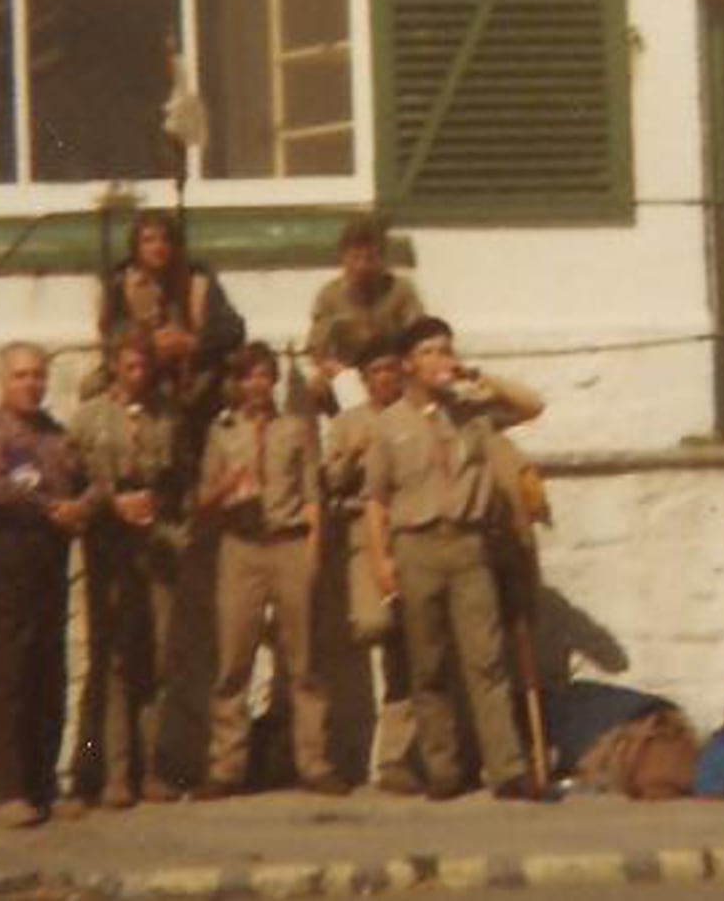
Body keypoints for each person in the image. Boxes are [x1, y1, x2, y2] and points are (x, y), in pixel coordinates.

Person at [325, 335, 547, 795]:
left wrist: (476, 377)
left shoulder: (473, 414)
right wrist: (382, 561)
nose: (440, 359)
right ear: (409, 364)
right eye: (429, 352)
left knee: (485, 661)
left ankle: (506, 770)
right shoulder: (389, 425)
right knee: (428, 665)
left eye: (445, 349)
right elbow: (376, 501)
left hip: (468, 546)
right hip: (415, 547)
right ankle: (441, 769)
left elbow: (532, 406)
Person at [194, 342, 348, 798]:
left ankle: (314, 762)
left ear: (274, 381)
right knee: (234, 661)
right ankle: (226, 767)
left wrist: (313, 552)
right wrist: (226, 485)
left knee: (304, 661)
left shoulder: (295, 429)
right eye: (248, 377)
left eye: (264, 375)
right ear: (236, 384)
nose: (257, 385)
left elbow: (312, 496)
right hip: (240, 548)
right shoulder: (221, 431)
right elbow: (203, 502)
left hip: (288, 544)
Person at [0, 341, 98, 829]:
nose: (31, 384)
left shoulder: (55, 433)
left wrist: (85, 503)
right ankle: (11, 789)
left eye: (38, 375)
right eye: (20, 375)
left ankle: (44, 783)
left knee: (47, 667)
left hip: (46, 554)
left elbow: (81, 479)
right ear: (1, 380)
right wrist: (51, 508)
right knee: (6, 668)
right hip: (0, 549)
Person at [71, 329, 184, 808]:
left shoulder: (168, 418)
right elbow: (74, 479)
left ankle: (153, 768)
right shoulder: (89, 418)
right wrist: (111, 502)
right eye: (130, 365)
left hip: (155, 546)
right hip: (108, 547)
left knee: (156, 657)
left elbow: (180, 480)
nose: (139, 374)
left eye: (146, 365)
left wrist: (163, 512)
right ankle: (114, 773)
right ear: (115, 366)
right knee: (114, 658)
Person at [99, 209, 245, 464]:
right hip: (143, 370)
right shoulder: (122, 282)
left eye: (165, 239)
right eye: (149, 240)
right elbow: (111, 332)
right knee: (93, 389)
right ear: (136, 246)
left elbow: (233, 329)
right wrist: (148, 343)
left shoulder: (199, 280)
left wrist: (193, 344)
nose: (158, 247)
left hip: (195, 376)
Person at [306, 218, 424, 411]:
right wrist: (336, 371)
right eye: (355, 258)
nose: (362, 266)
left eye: (369, 258)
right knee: (314, 389)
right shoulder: (329, 295)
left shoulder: (401, 291)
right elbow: (317, 348)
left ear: (382, 260)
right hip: (348, 373)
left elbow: (418, 336)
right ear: (343, 258)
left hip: (392, 370)